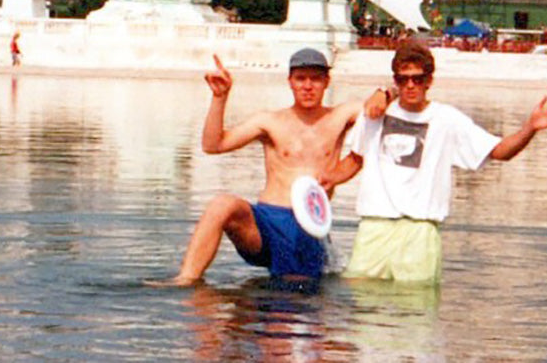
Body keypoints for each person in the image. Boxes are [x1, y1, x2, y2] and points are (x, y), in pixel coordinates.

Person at [320, 40, 547, 282]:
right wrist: (328, 179)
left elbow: (500, 151)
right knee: (361, 306)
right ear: (394, 81)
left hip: (421, 231)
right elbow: (355, 159)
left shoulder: (447, 120)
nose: (411, 85)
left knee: (416, 312)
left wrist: (530, 128)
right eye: (403, 79)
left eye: (418, 78)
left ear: (429, 80)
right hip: (375, 226)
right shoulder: (373, 114)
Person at [150, 49, 389, 287]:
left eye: (315, 79)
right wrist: (219, 98)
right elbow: (213, 145)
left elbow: (382, 107)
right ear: (290, 82)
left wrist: (384, 93)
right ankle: (187, 279)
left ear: (326, 82)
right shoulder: (270, 121)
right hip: (264, 223)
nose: (308, 86)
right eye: (300, 78)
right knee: (221, 205)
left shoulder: (341, 116)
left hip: (305, 226)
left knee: (292, 306)